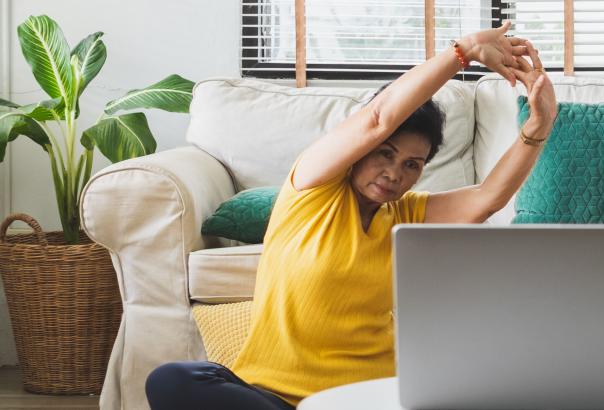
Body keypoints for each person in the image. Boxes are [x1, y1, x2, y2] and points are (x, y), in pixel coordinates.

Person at [144, 21, 559, 410]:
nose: (395, 173)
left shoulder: (407, 216)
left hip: (366, 396)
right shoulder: (312, 187)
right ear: (361, 148)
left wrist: (540, 125)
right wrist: (462, 51)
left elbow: (486, 197)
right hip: (270, 396)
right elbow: (379, 118)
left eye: (413, 165)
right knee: (173, 380)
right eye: (385, 153)